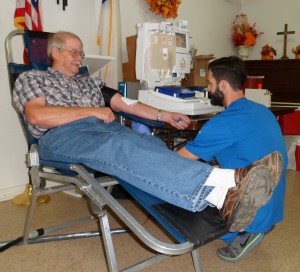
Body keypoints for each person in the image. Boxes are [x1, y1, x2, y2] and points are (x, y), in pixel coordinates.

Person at [13, 31, 282, 233]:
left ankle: (227, 190)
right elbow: (37, 116)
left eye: (81, 54)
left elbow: (124, 103)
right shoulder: (33, 79)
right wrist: (92, 111)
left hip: (102, 131)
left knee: (151, 145)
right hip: (60, 138)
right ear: (55, 53)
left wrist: (163, 115)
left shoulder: (90, 82)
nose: (80, 59)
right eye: (74, 53)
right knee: (121, 150)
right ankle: (225, 187)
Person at [177, 56, 288, 262]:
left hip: (252, 205)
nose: (208, 89)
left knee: (187, 184)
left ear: (223, 85)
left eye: (210, 83)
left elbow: (180, 160)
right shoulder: (263, 111)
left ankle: (246, 231)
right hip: (273, 202)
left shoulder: (223, 123)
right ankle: (260, 222)